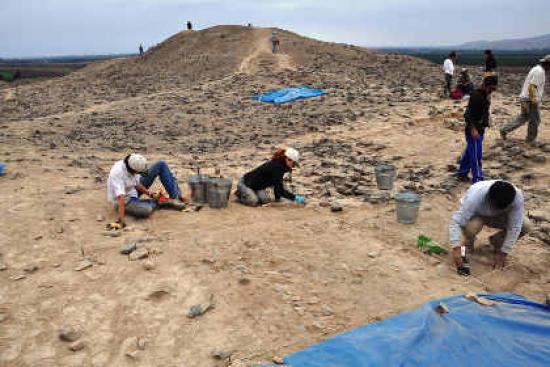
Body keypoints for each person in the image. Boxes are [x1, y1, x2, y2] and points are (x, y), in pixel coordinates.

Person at [449, 180, 531, 275]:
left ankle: (496, 243)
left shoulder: (516, 197)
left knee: (525, 226)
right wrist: (456, 248)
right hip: (477, 214)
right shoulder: (474, 198)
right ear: (489, 199)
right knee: (471, 228)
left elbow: (515, 226)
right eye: (495, 206)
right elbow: (456, 221)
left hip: (500, 216)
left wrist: (504, 253)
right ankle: (468, 243)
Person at [107, 154, 186, 226]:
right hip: (126, 201)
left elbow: (136, 183)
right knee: (145, 210)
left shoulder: (132, 161)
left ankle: (175, 197)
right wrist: (121, 220)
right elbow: (121, 197)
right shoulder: (118, 173)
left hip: (132, 190)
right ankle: (161, 202)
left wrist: (150, 193)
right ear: (133, 170)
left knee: (161, 164)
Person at [455, 75, 498, 183]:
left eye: (494, 89)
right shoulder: (476, 96)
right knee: (476, 155)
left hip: (480, 129)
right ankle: (478, 179)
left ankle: (462, 173)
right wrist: (473, 129)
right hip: (473, 131)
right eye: (491, 89)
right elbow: (468, 115)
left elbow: (484, 112)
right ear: (484, 85)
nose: (492, 91)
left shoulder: (485, 95)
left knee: (470, 152)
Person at [500, 55, 550, 143]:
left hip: (525, 97)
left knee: (524, 117)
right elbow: (532, 87)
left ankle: (505, 129)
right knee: (535, 120)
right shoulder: (540, 72)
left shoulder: (536, 69)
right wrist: (534, 101)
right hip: (529, 99)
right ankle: (530, 140)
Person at [236, 147, 305, 206]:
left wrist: (278, 198)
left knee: (265, 200)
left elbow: (277, 183)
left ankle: (250, 194)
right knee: (253, 201)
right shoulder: (276, 166)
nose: (293, 166)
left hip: (258, 186)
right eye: (294, 164)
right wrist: (294, 198)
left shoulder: (283, 166)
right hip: (246, 183)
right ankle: (240, 194)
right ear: (288, 159)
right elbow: (279, 189)